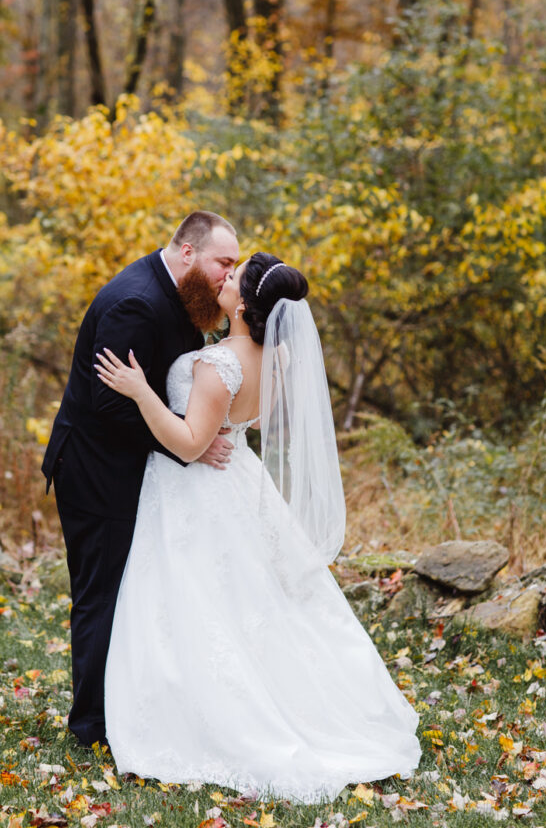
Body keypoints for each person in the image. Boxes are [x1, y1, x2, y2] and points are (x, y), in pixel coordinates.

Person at [93, 251, 420, 800]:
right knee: (253, 604)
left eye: (234, 275)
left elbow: (191, 444)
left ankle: (204, 717)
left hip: (196, 493)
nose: (224, 276)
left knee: (196, 603)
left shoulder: (217, 364)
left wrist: (139, 389)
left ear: (243, 302)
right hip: (240, 478)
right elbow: (238, 425)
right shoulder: (279, 357)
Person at [42, 211, 240, 748]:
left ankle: (128, 709)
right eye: (224, 261)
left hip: (133, 469)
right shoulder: (136, 302)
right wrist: (191, 444)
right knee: (102, 595)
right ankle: (90, 727)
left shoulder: (183, 298)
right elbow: (110, 405)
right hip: (95, 472)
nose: (229, 273)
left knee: (135, 591)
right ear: (187, 254)